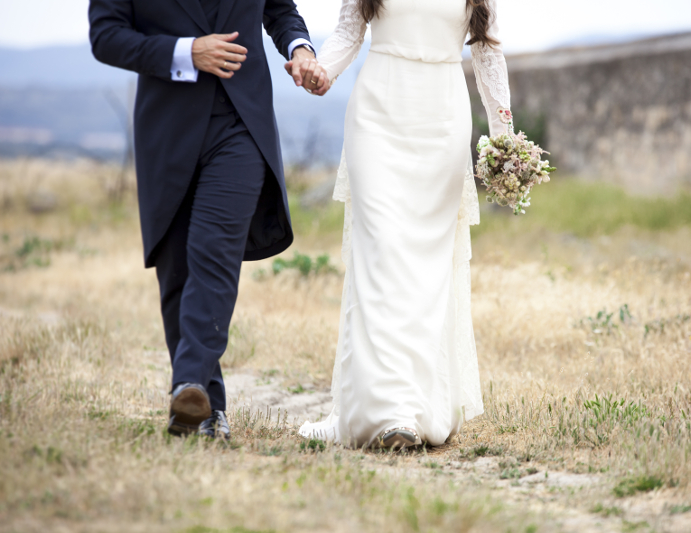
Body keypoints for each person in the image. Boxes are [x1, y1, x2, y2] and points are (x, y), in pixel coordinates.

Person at [88, 0, 329, 439]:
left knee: (214, 253)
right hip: (167, 131)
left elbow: (279, 10)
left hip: (241, 126)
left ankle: (188, 383)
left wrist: (300, 49)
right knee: (177, 269)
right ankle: (207, 411)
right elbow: (106, 36)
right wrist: (185, 52)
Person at [299, 0, 513, 448]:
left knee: (426, 267)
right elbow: (348, 33)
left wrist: (504, 137)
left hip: (442, 119)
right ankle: (390, 412)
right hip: (378, 113)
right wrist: (323, 70)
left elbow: (487, 51)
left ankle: (415, 405)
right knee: (381, 252)